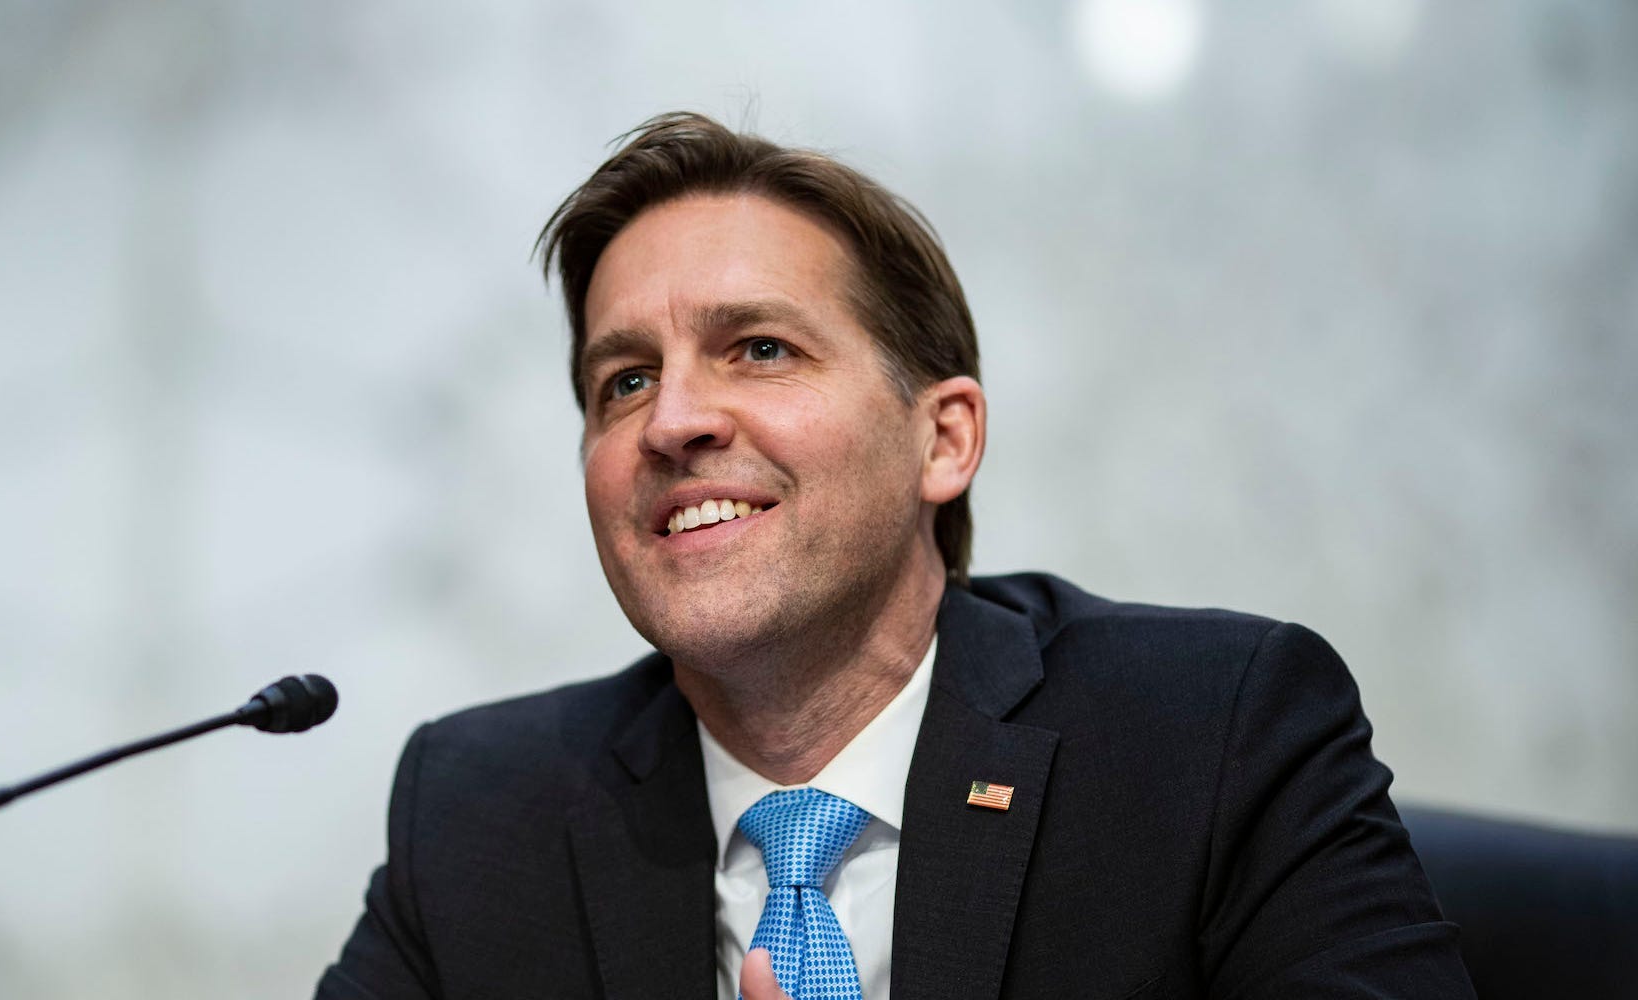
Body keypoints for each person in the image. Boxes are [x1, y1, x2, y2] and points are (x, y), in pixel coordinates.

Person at [315, 112, 1473, 1000]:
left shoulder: (1211, 736)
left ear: (942, 438)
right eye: (622, 381)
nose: (670, 423)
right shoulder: (478, 812)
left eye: (758, 349)